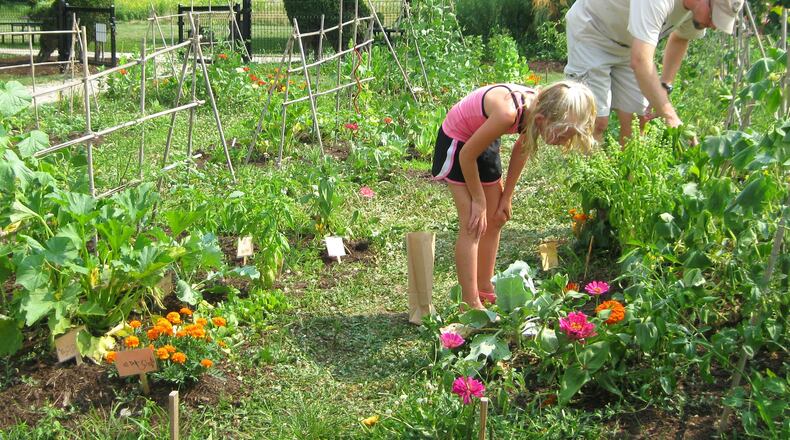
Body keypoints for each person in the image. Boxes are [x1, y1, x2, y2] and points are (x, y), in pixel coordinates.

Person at [431, 81, 596, 310]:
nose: (563, 143)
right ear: (542, 121)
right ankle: (470, 305)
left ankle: (485, 288)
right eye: (563, 135)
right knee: (473, 223)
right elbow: (467, 155)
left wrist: (506, 196)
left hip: (483, 139)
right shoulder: (508, 113)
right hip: (458, 144)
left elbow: (523, 147)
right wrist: (478, 201)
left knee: (496, 218)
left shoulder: (536, 108)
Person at [564, 0, 745, 144]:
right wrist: (670, 116)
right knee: (594, 122)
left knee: (638, 120)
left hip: (629, 45)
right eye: (714, 16)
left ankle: (628, 186)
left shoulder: (695, 11)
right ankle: (586, 184)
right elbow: (640, 61)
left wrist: (664, 86)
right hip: (593, 33)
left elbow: (681, 38)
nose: (713, 25)